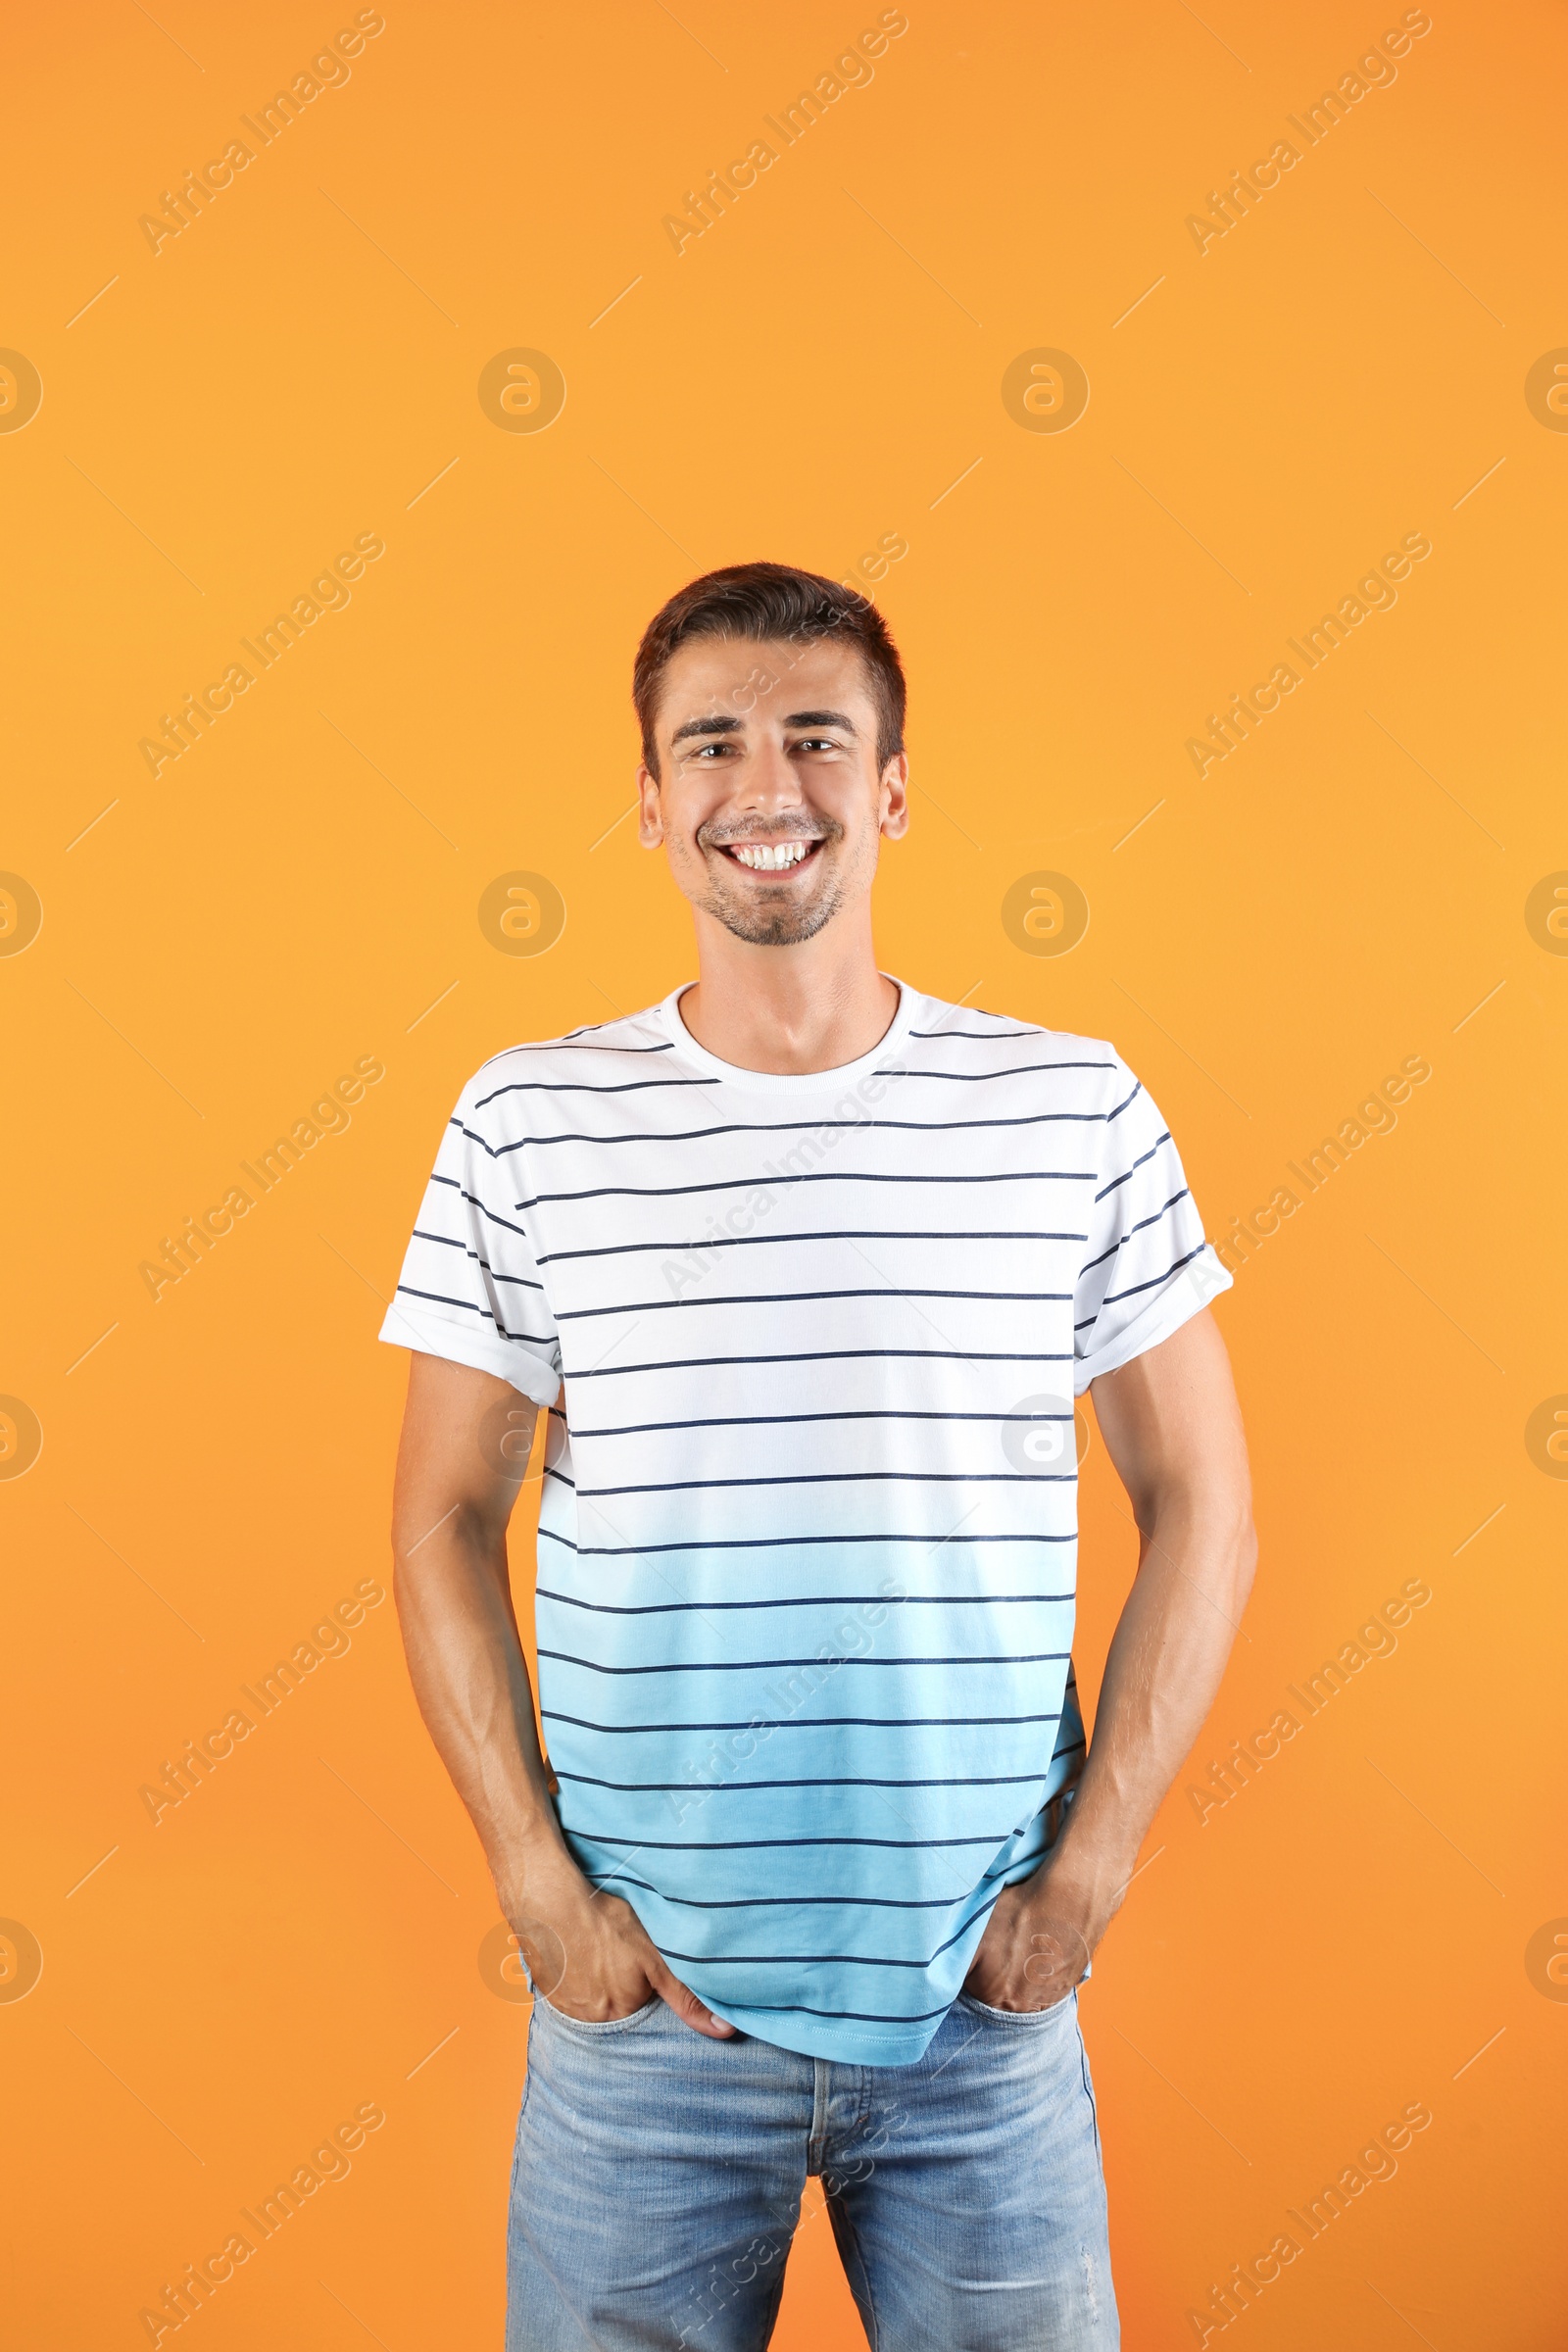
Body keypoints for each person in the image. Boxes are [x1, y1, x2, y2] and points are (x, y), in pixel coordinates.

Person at [381, 562, 1255, 2351]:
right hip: (644, 2032)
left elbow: (1209, 1505)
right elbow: (438, 1524)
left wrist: (1084, 1879)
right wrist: (538, 1894)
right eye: (711, 742)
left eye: (815, 738)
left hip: (978, 2033)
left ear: (895, 788)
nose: (763, 787)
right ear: (648, 800)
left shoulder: (1069, 1105)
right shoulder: (525, 1118)